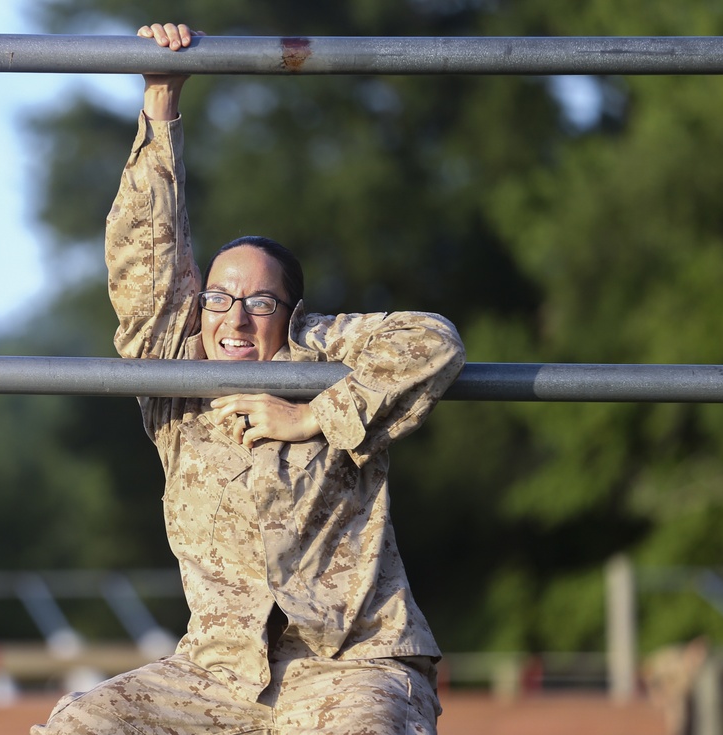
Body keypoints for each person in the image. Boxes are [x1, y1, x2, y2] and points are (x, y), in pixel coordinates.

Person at [31, 22, 466, 735]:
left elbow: (432, 339)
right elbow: (145, 266)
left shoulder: (321, 351)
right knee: (81, 725)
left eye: (260, 301)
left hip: (351, 663)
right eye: (219, 297)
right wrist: (161, 99)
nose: (236, 317)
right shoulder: (178, 370)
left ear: (289, 314)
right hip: (218, 673)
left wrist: (314, 415)